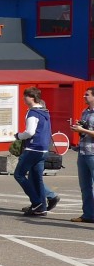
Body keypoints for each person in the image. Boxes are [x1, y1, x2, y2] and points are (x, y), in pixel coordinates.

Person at [13, 87, 59, 216]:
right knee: (36, 178)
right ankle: (42, 207)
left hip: (33, 149)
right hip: (43, 149)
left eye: (25, 96)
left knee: (19, 174)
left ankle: (36, 202)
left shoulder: (32, 113)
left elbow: (30, 132)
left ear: (31, 97)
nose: (23, 98)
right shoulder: (45, 111)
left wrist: (19, 136)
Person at [69, 87, 94, 223]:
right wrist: (79, 129)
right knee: (85, 186)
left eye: (87, 95)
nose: (84, 97)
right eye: (84, 94)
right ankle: (88, 215)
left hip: (93, 153)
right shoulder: (85, 112)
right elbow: (85, 131)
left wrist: (82, 129)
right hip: (83, 151)